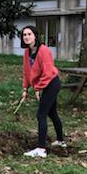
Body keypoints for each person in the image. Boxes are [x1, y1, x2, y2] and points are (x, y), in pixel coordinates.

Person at [20, 25, 65, 158]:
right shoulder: (27, 52)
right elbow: (27, 73)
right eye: (24, 35)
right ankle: (61, 141)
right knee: (52, 113)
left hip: (52, 83)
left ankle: (41, 149)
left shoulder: (44, 50)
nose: (27, 37)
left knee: (41, 114)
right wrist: (25, 89)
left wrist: (38, 88)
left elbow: (47, 73)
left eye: (29, 34)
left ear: (35, 36)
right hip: (44, 84)